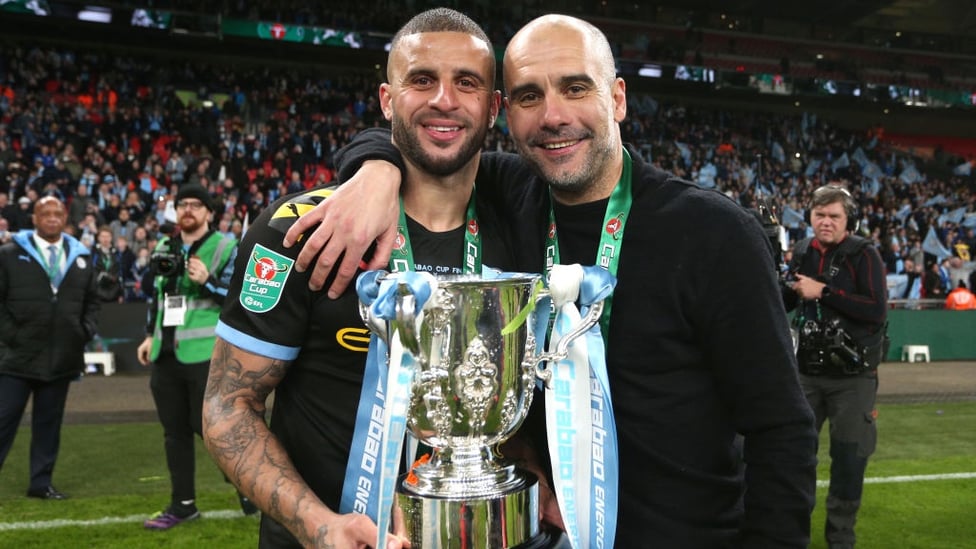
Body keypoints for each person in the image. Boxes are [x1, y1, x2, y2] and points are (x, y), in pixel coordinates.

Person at [283, 13, 818, 548]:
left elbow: (781, 428)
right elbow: (418, 134)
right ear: (504, 114)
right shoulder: (505, 196)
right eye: (528, 96)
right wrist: (374, 169)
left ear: (618, 99)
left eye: (575, 88)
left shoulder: (712, 231)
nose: (553, 116)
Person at [202, 9, 521, 548]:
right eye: (422, 80)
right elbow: (228, 406)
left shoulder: (524, 228)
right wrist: (318, 525)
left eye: (466, 83)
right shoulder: (298, 232)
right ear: (387, 100)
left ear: (493, 108)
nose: (444, 99)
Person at [135, 182, 246, 529]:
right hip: (166, 353)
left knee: (215, 431)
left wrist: (207, 280)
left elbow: (239, 297)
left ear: (209, 213)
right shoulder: (164, 245)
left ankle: (250, 488)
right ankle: (183, 505)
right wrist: (148, 336)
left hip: (206, 353)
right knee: (174, 433)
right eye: (182, 203)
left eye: (196, 204)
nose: (187, 209)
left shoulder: (226, 246)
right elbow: (157, 295)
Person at [784, 185, 888, 549]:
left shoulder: (864, 255)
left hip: (852, 379)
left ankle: (840, 539)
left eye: (834, 216)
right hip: (806, 375)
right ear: (810, 216)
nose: (825, 222)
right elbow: (784, 302)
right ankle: (789, 533)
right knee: (793, 455)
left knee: (848, 459)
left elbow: (876, 310)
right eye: (819, 215)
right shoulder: (802, 252)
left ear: (849, 221)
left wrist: (824, 292)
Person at [0, 196, 100, 500]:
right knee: (2, 422)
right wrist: (11, 335)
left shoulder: (81, 256)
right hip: (17, 356)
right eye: (46, 213)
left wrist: (83, 332)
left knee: (49, 425)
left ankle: (41, 484)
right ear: (34, 218)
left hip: (61, 357)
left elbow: (92, 303)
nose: (52, 218)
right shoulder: (8, 254)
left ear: (65, 217)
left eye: (58, 213)